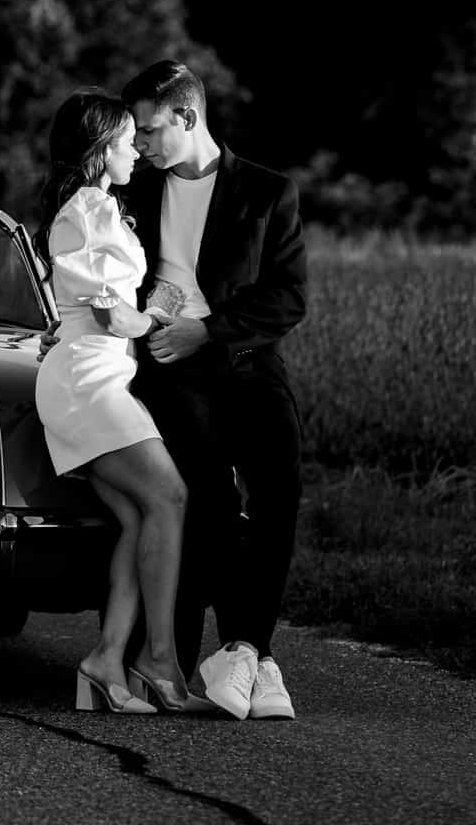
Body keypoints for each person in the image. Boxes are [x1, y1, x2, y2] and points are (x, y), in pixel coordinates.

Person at [120, 59, 307, 722]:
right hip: (168, 372)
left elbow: (286, 298)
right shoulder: (131, 195)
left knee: (280, 493)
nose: (138, 144)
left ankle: (246, 652)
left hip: (248, 362)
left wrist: (207, 331)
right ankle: (227, 657)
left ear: (187, 117)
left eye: (148, 130)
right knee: (210, 504)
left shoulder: (266, 191)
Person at [33, 88, 201, 716]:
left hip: (90, 377)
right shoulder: (92, 210)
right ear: (103, 149)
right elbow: (111, 319)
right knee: (170, 496)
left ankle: (107, 660)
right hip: (88, 380)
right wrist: (158, 310)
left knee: (137, 517)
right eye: (129, 141)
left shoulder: (91, 207)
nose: (137, 151)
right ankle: (158, 661)